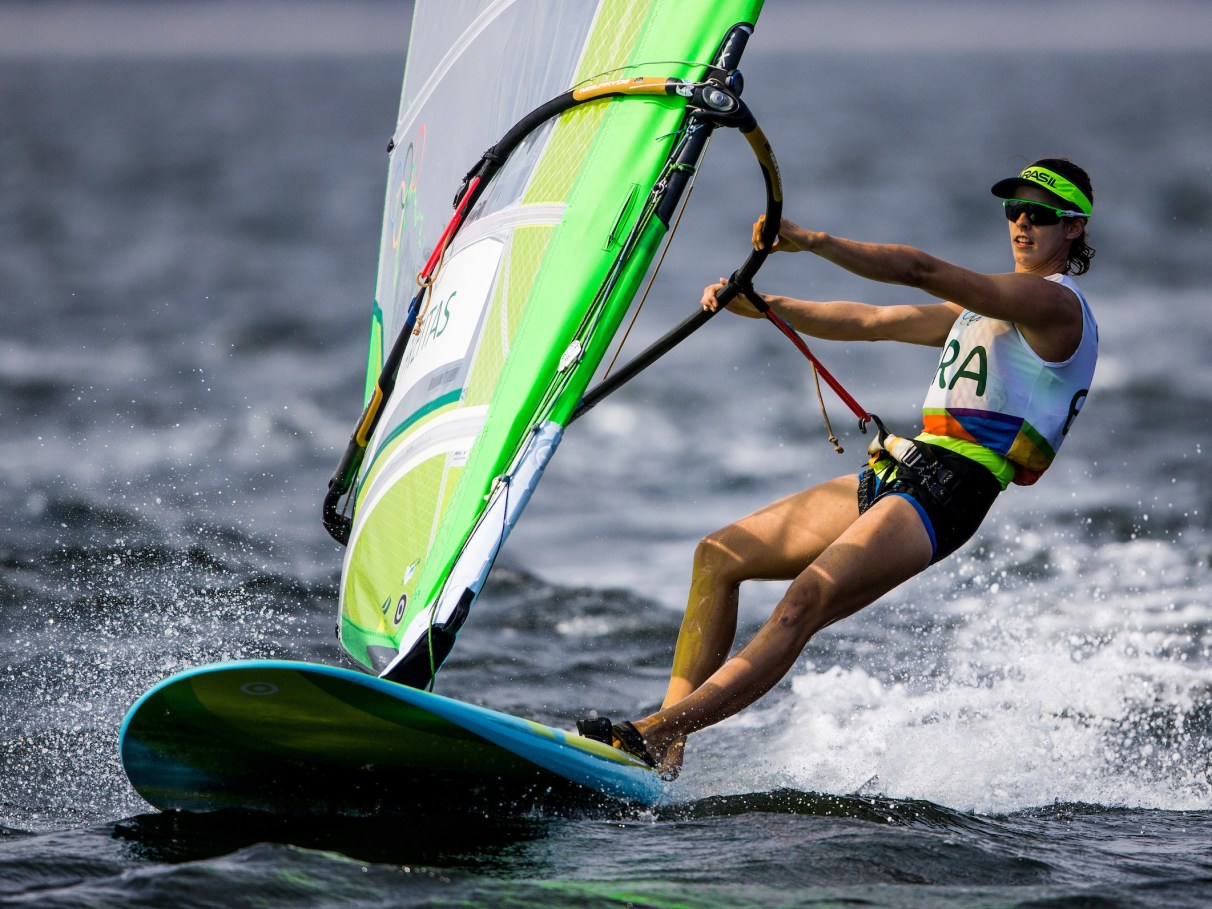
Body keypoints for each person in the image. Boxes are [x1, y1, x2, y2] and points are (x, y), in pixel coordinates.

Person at [579, 157, 1098, 779]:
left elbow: (918, 269)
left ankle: (651, 732)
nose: (1021, 222)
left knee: (804, 603)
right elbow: (871, 321)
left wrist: (811, 240)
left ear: (1072, 228)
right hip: (905, 468)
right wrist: (767, 304)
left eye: (1039, 214)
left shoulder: (1055, 308)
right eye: (1013, 209)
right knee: (718, 556)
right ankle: (663, 742)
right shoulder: (986, 313)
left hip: (951, 492)